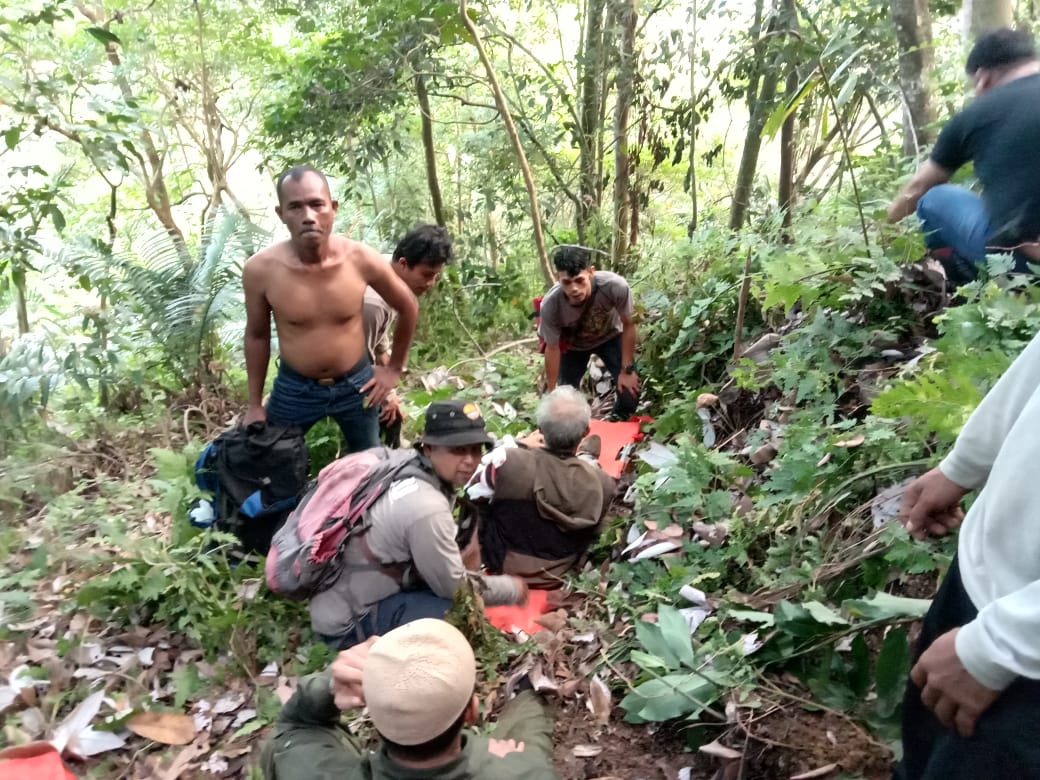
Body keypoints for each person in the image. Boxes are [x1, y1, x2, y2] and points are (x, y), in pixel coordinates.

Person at [895, 328, 1040, 778]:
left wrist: (1005, 642)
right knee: (919, 754)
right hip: (980, 577)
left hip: (1026, 661)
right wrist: (964, 465)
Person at [309, 399, 528, 649]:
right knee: (455, 617)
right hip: (346, 625)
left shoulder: (402, 465)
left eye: (476, 449)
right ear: (429, 448)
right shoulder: (427, 508)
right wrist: (513, 588)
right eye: (458, 449)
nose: (469, 460)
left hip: (336, 600)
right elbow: (454, 589)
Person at [242, 165, 419, 453]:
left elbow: (408, 305)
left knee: (368, 463)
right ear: (281, 214)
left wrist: (394, 369)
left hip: (357, 383)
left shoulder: (361, 259)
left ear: (333, 208)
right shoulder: (260, 271)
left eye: (316, 204)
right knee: (274, 463)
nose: (308, 216)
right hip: (294, 387)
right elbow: (257, 336)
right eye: (296, 207)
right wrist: (253, 404)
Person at [262, 618, 558, 780]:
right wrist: (500, 758)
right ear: (471, 712)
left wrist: (330, 683)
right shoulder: (525, 771)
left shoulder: (311, 768)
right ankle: (528, 693)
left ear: (373, 714)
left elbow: (295, 727)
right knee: (527, 731)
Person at [887, 28, 1040, 285]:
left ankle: (970, 290)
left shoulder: (977, 114)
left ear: (982, 78)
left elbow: (918, 187)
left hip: (1024, 264)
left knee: (934, 198)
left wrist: (885, 233)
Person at [467, 387, 615, 588]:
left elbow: (471, 490)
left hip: (502, 564)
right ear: (585, 432)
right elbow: (594, 532)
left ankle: (585, 459)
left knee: (485, 496)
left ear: (540, 430)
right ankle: (586, 460)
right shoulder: (604, 484)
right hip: (559, 573)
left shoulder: (508, 462)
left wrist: (516, 445)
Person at [364, 223, 454, 446]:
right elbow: (354, 365)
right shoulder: (374, 302)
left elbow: (379, 346)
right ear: (403, 264)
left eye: (435, 276)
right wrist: (387, 398)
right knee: (371, 436)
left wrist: (393, 391)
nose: (431, 284)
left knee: (392, 413)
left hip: (357, 361)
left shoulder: (392, 277)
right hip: (329, 375)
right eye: (426, 275)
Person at [538, 246, 641, 419]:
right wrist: (552, 389)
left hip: (611, 337)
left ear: (591, 272)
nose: (574, 289)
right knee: (563, 404)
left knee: (630, 394)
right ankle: (573, 433)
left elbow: (629, 325)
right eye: (567, 283)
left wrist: (627, 370)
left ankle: (616, 423)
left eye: (579, 280)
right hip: (574, 348)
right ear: (558, 278)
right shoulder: (551, 304)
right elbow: (552, 348)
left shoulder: (614, 286)